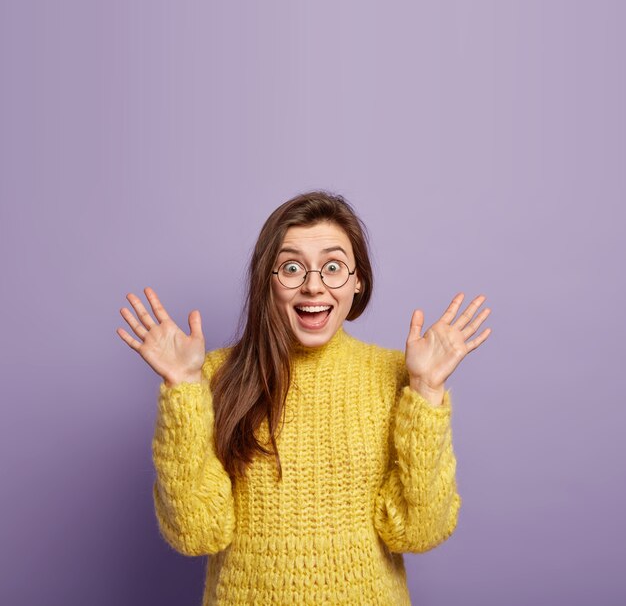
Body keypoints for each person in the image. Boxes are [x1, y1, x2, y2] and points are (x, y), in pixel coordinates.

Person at [116, 191, 492, 605]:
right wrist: (183, 387)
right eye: (292, 267)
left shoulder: (400, 375)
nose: (314, 285)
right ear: (267, 279)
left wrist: (426, 391)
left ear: (357, 280)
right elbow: (196, 532)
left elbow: (420, 531)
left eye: (333, 267)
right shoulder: (211, 375)